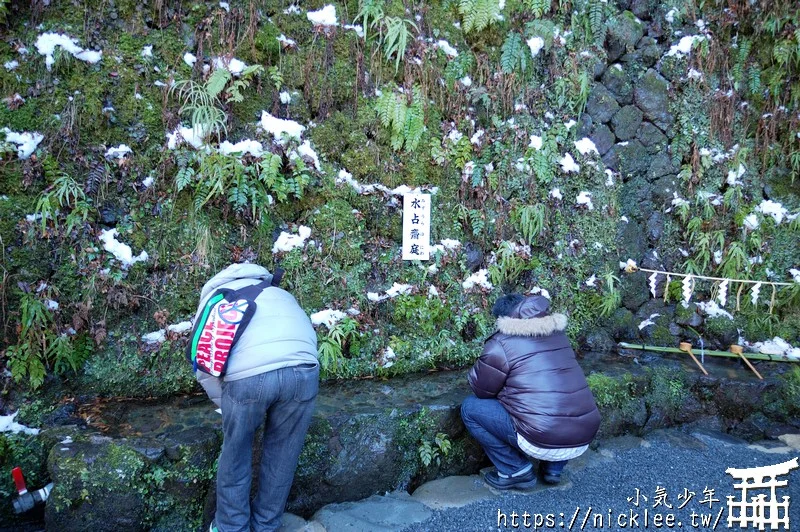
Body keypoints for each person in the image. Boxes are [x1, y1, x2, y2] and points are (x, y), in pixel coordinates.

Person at [193, 263, 319, 532]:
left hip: (250, 377)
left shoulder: (218, 299)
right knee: (283, 456)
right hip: (305, 371)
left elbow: (205, 363)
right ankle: (266, 525)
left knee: (236, 453)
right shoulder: (281, 294)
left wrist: (227, 405)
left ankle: (230, 527)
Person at [461, 293, 601, 490]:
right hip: (583, 435)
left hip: (543, 437)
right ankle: (554, 469)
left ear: (503, 319)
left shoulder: (502, 342)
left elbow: (481, 390)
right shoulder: (558, 335)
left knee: (470, 408)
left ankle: (515, 470)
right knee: (559, 401)